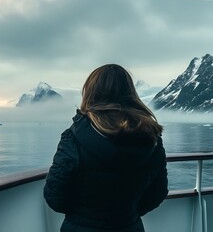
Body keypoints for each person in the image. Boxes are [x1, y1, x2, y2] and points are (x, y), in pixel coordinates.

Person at [43, 64, 168, 232]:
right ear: (130, 93)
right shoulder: (151, 138)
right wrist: (127, 215)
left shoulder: (73, 138)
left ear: (90, 92)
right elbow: (157, 193)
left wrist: (83, 215)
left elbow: (55, 197)